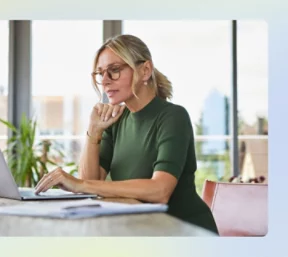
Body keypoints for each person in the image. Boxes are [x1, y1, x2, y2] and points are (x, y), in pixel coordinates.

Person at [35, 34, 219, 235]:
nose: (104, 81)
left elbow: (160, 191)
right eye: (100, 73)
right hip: (141, 229)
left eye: (114, 71)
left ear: (145, 70)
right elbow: (90, 183)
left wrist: (80, 184)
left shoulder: (173, 116)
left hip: (184, 232)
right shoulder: (117, 120)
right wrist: (94, 132)